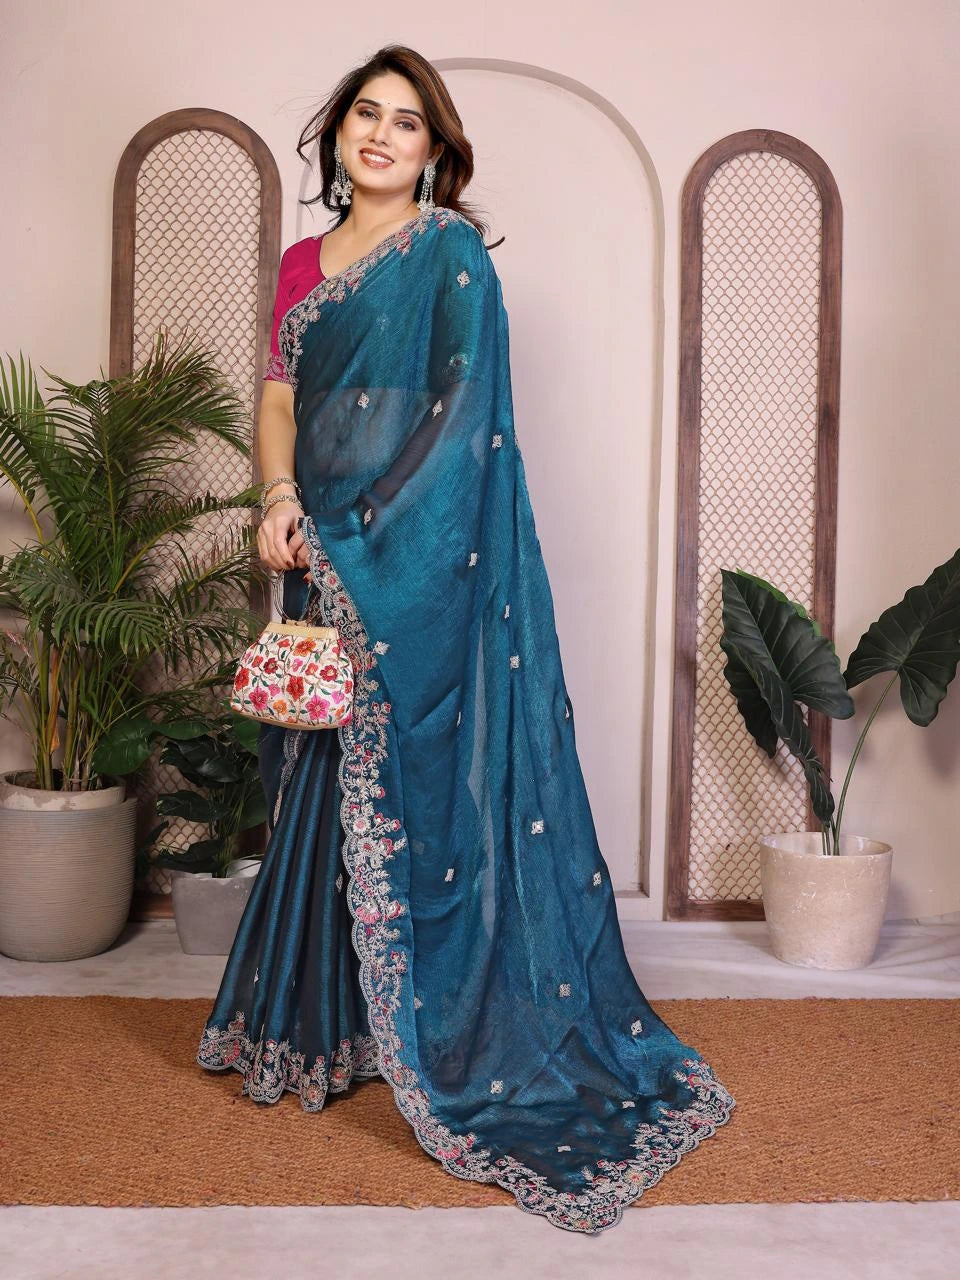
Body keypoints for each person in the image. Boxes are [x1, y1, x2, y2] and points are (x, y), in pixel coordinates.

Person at [197, 44, 736, 1235]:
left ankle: (443, 1024)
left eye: (407, 122)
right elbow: (279, 394)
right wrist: (278, 498)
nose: (382, 135)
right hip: (313, 533)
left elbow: (461, 421)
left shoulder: (450, 256)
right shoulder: (302, 263)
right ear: (338, 133)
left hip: (407, 550)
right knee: (318, 770)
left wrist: (364, 534)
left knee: (415, 781)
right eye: (366, 114)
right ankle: (322, 1021)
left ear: (436, 150)